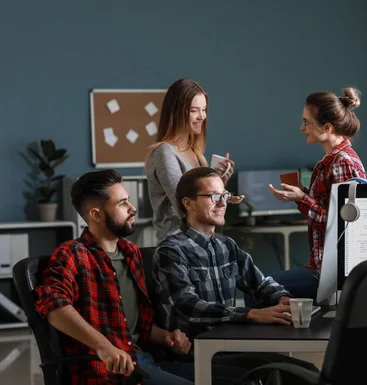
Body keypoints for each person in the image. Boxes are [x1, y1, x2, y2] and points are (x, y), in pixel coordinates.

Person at [34, 169, 245, 385]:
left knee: (244, 377)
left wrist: (166, 337)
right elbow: (53, 306)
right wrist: (104, 347)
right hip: (111, 372)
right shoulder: (72, 253)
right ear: (96, 215)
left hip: (146, 360)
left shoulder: (130, 252)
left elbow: (132, 325)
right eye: (122, 203)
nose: (132, 208)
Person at [152, 167, 293, 336]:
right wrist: (250, 314)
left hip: (228, 342)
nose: (223, 203)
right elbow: (188, 305)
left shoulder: (226, 245)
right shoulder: (171, 250)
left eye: (224, 195)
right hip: (196, 350)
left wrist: (284, 299)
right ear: (189, 204)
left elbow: (260, 283)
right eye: (214, 196)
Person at [264, 87, 367, 303]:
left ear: (327, 127)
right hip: (321, 267)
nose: (302, 128)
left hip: (333, 273)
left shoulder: (342, 163)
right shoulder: (330, 161)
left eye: (307, 122)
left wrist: (301, 200)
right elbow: (327, 208)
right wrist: (300, 194)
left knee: (260, 289)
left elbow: (342, 224)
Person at [145, 78, 242, 243]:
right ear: (176, 112)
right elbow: (184, 206)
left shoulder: (195, 151)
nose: (202, 116)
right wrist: (218, 194)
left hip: (201, 241)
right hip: (177, 246)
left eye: (204, 109)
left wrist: (219, 183)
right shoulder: (165, 152)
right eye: (194, 110)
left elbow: (200, 199)